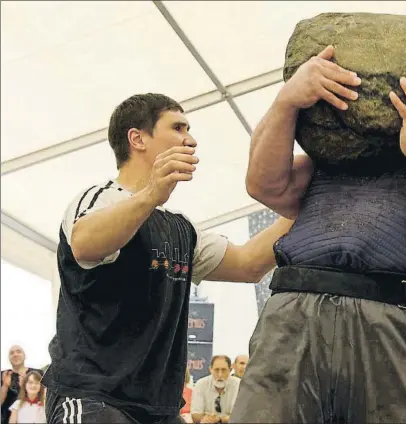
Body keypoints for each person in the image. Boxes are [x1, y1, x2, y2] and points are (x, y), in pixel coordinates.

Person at [231, 45, 406, 424]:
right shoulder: (352, 152)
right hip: (293, 316)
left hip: (392, 328)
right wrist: (287, 102)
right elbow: (265, 184)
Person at [41, 93, 294, 424]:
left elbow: (249, 264)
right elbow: (85, 244)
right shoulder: (97, 199)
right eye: (178, 127)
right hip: (92, 398)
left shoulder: (180, 230)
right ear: (138, 138)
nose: (190, 139)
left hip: (159, 410)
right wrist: (150, 195)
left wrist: (310, 204)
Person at [191, 356, 240, 424]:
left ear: (230, 370)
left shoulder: (239, 385)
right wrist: (205, 419)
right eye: (216, 370)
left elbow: (238, 417)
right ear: (210, 369)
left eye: (224, 370)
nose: (220, 375)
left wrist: (219, 420)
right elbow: (195, 415)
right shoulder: (201, 384)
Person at [1, 346, 43, 424]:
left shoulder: (38, 374)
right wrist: (5, 386)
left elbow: (46, 398)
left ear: (25, 356)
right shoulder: (3, 375)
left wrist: (26, 386)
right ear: (9, 358)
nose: (15, 354)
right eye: (11, 353)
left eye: (18, 351)